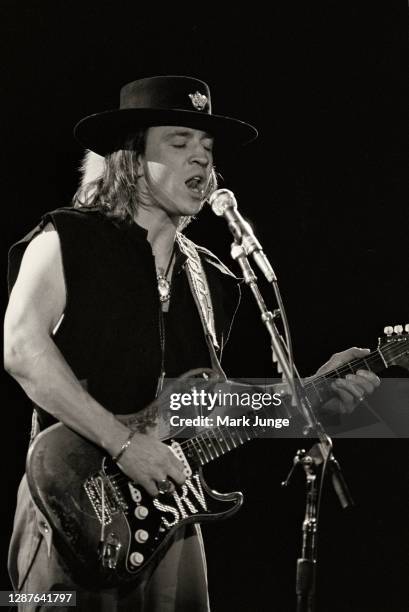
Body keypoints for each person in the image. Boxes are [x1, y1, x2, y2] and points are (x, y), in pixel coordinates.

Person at [4, 75, 380, 611]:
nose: (200, 162)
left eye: (207, 149)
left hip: (171, 520)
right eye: (179, 144)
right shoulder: (66, 237)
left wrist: (312, 393)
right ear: (130, 157)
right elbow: (20, 348)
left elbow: (206, 408)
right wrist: (124, 444)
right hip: (71, 505)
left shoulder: (214, 279)